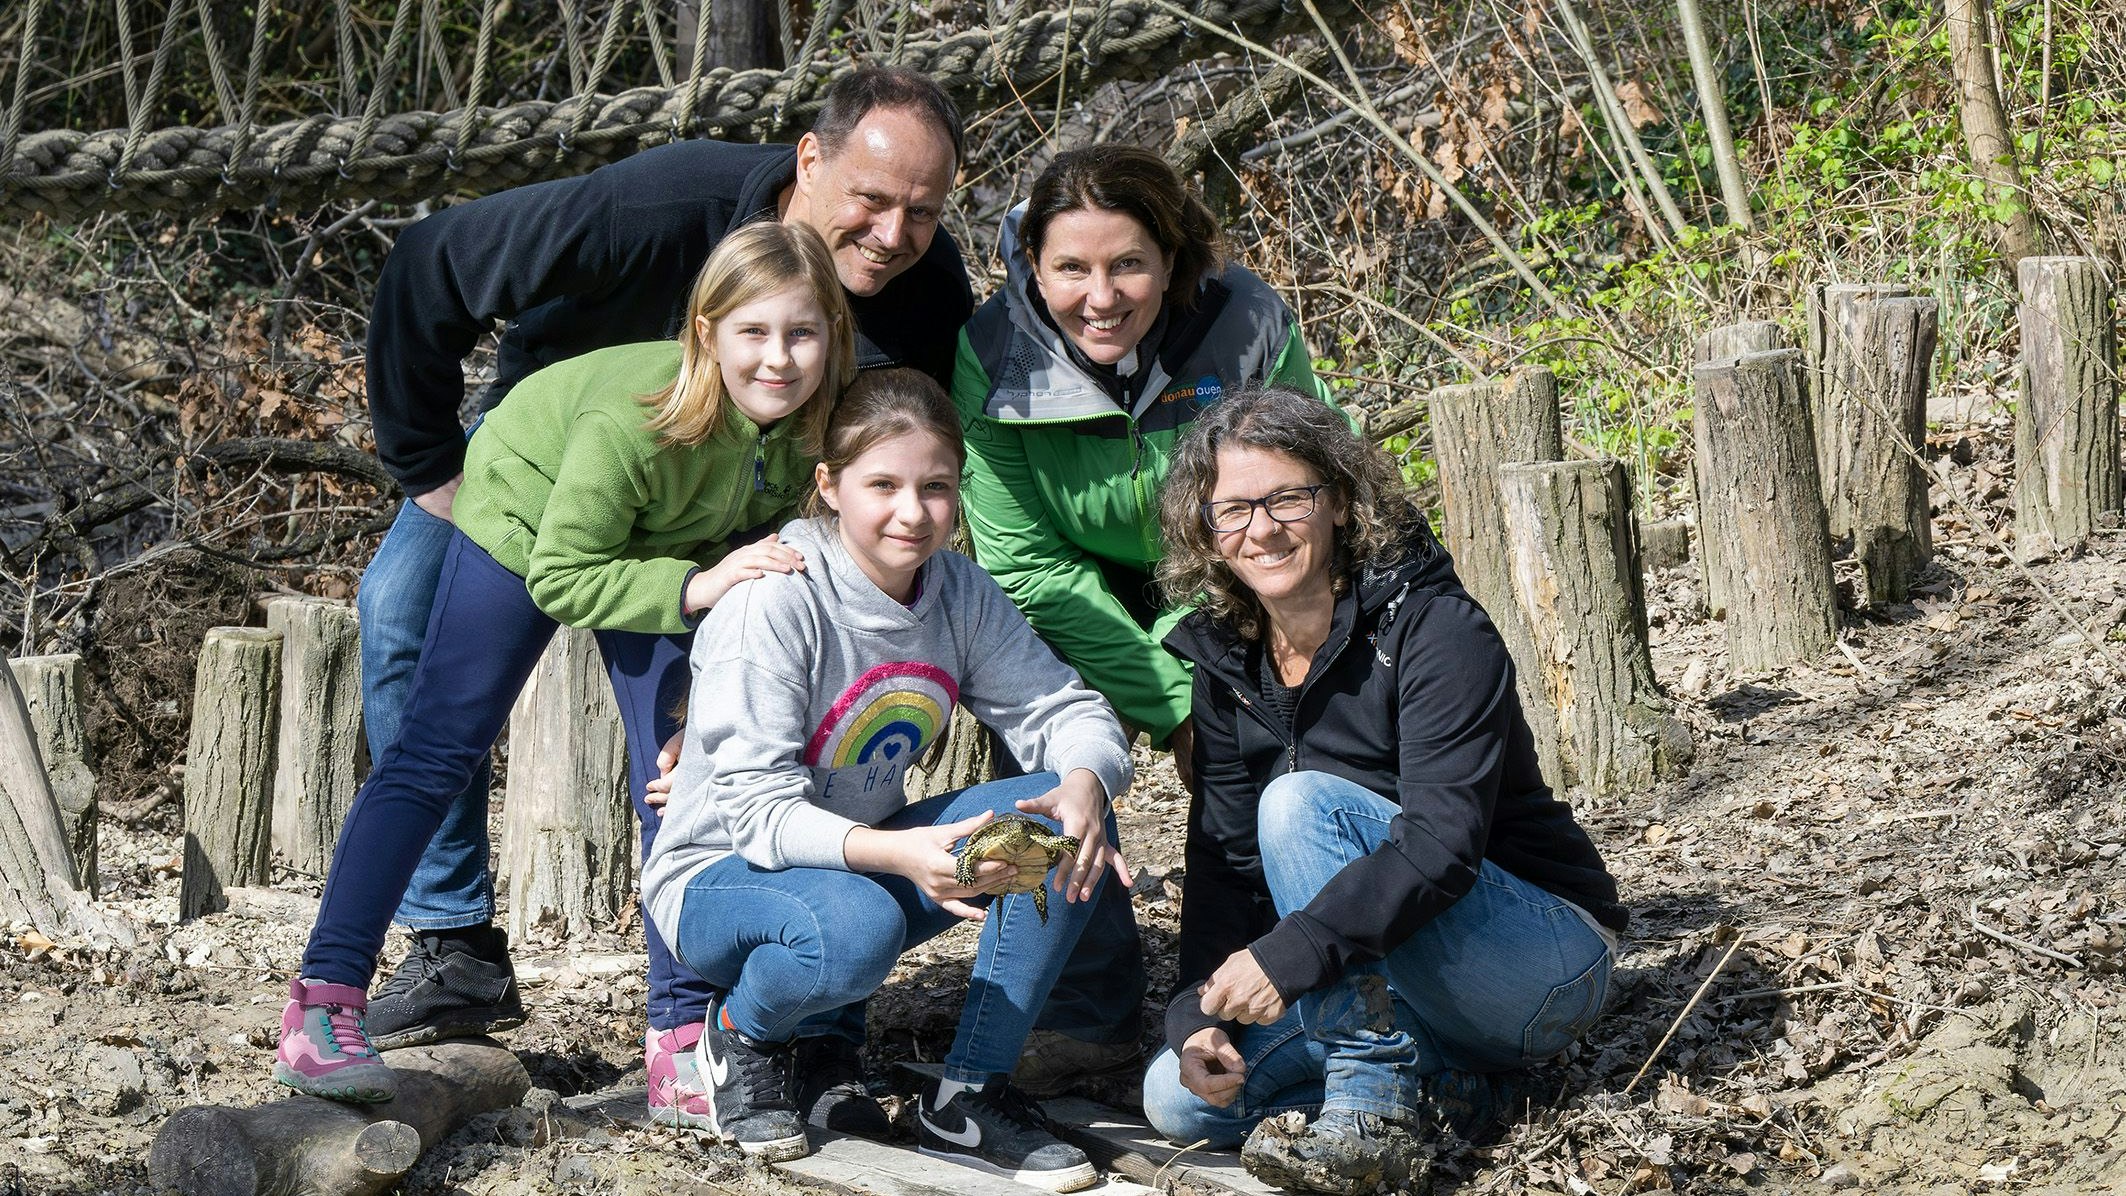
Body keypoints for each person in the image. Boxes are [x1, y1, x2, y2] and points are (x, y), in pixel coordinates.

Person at [351, 67, 971, 1125]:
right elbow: (429, 262)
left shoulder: (926, 292)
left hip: (734, 504)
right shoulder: (659, 205)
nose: (892, 230)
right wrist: (426, 463)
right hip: (548, 454)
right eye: (871, 198)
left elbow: (881, 469)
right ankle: (454, 941)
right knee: (398, 613)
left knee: (698, 737)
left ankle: (713, 990)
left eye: (922, 209)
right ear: (808, 160)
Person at [273, 222, 855, 1112]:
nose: (779, 357)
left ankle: (682, 1033)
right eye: (754, 332)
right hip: (534, 514)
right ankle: (324, 1002)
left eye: (802, 334)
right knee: (440, 749)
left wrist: (708, 663)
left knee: (683, 775)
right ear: (707, 333)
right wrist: (698, 587)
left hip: (678, 548)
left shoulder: (817, 424)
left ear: (832, 340)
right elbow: (563, 572)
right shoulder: (633, 419)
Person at [641, 369, 1131, 1191]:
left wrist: (1087, 778)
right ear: (830, 486)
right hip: (720, 876)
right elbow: (759, 818)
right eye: (884, 485)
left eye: (936, 487)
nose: (913, 512)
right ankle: (741, 1038)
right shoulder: (776, 601)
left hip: (858, 863)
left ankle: (968, 1097)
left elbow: (1063, 705)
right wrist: (904, 856)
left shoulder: (958, 592)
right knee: (856, 929)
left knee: (1056, 821)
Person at [1140, 388, 1626, 1195]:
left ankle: (1372, 1114)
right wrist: (1199, 1017)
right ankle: (1459, 1095)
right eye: (1232, 510)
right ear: (1206, 529)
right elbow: (1224, 866)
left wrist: (1290, 952)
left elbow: (1442, 843)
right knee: (1177, 1098)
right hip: (1385, 984)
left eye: (1286, 498)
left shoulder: (1435, 629)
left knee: (1298, 804)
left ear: (1338, 502)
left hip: (1538, 963)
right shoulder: (1226, 666)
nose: (1260, 529)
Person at [949, 144, 1335, 1087]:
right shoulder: (993, 353)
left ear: (1172, 258)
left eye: (1128, 264)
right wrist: (1168, 707)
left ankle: (1293, 975)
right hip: (1069, 585)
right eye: (1070, 268)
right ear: (1029, 264)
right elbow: (1024, 564)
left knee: (1270, 738)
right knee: (1038, 729)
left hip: (1225, 564)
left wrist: (1219, 690)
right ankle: (1088, 1005)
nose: (1101, 296)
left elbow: (1300, 492)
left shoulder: (1244, 324)